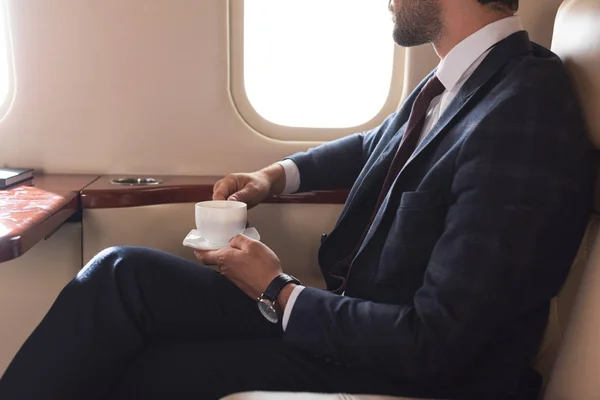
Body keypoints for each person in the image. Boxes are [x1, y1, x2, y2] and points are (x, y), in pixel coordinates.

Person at [0, 0, 593, 399]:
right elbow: (374, 143)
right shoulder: (464, 80)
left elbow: (436, 344)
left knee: (149, 370)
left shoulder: (523, 115)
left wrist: (277, 290)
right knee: (121, 274)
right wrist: (272, 177)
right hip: (357, 322)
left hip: (406, 365)